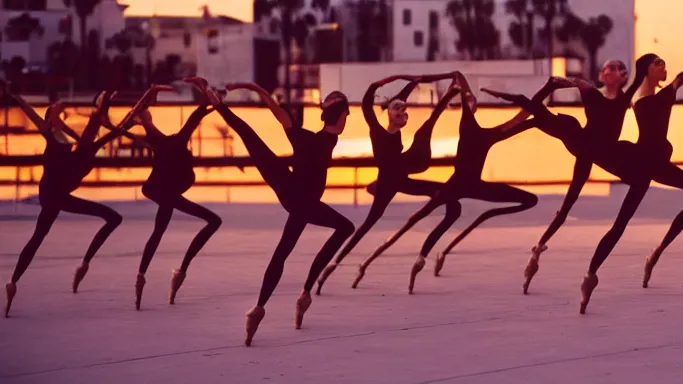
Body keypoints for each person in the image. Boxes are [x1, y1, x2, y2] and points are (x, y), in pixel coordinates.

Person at [188, 78, 354, 347]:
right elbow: (282, 115)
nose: (347, 119)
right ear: (342, 115)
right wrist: (255, 89)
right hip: (307, 201)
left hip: (290, 191)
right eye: (347, 114)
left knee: (254, 142)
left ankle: (260, 307)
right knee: (344, 228)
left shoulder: (302, 136)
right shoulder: (327, 140)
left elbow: (280, 115)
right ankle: (306, 290)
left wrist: (256, 89)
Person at [351, 71, 542, 294]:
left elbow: (518, 118)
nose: (471, 104)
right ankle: (413, 260)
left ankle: (406, 260)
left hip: (462, 186)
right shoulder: (486, 131)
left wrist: (458, 87)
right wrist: (541, 100)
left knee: (420, 218)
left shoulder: (480, 130)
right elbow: (520, 118)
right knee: (429, 216)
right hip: (466, 186)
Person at [3, 84, 166, 317]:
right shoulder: (48, 130)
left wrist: (125, 117)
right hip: (53, 191)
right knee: (39, 236)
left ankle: (27, 278)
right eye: (57, 108)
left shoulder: (67, 138)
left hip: (57, 193)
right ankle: (17, 280)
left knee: (109, 217)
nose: (61, 106)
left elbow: (98, 135)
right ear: (51, 115)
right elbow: (31, 112)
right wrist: (16, 97)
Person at [314, 73, 460, 295]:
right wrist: (384, 82)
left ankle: (423, 255)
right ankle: (331, 268)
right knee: (366, 226)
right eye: (397, 109)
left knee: (451, 199)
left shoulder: (395, 131)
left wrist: (448, 90)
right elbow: (366, 103)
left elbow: (432, 115)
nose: (403, 112)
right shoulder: (377, 131)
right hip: (385, 184)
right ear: (388, 113)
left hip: (401, 178)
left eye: (404, 111)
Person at [522, 57, 651, 294]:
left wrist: (652, 64)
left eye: (615, 68)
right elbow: (574, 82)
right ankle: (538, 248)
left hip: (609, 154)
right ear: (602, 75)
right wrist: (561, 83)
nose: (610, 71)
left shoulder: (624, 98)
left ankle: (597, 262)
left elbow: (640, 75)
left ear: (623, 76)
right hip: (585, 149)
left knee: (640, 176)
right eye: (607, 68)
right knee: (567, 205)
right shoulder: (591, 93)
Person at [101, 84, 222, 309]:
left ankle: (142, 275)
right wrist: (207, 98)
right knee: (213, 221)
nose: (148, 114)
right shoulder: (173, 142)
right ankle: (180, 271)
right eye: (145, 114)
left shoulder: (159, 142)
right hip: (166, 191)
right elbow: (194, 118)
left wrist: (208, 101)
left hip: (164, 191)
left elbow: (194, 117)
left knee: (158, 231)